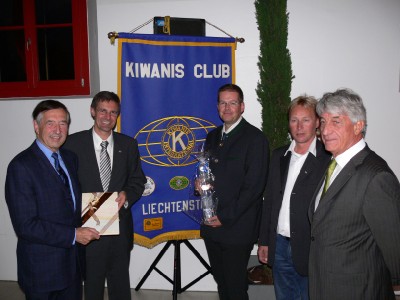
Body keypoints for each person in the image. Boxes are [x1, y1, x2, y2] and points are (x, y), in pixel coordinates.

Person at [308, 88, 400, 299]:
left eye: (336, 122)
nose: (326, 130)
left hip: (358, 290)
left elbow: (395, 254)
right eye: (323, 121)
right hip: (325, 285)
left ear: (359, 126)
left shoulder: (376, 176)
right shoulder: (334, 165)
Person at [5, 100, 100, 300]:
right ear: (36, 126)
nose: (58, 130)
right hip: (42, 270)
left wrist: (105, 210)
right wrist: (74, 235)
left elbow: (71, 203)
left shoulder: (70, 158)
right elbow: (25, 225)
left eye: (63, 123)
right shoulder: (21, 166)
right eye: (51, 123)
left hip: (72, 266)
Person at [63, 91, 146, 300]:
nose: (108, 117)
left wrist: (127, 194)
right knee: (92, 283)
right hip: (87, 227)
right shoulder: (72, 144)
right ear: (93, 111)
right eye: (103, 111)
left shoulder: (128, 145)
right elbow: (65, 185)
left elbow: (138, 180)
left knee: (120, 284)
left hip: (120, 227)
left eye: (113, 112)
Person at [200, 84, 269, 300]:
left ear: (242, 106)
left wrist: (225, 217)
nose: (227, 107)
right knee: (222, 283)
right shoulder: (212, 136)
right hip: (212, 226)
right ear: (217, 106)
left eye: (232, 103)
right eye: (223, 102)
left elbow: (254, 188)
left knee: (236, 287)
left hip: (237, 227)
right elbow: (209, 174)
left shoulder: (255, 139)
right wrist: (200, 184)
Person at [258, 95, 331, 299]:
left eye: (305, 120)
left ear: (317, 122)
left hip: (310, 247)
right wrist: (264, 241)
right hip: (279, 244)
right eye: (294, 120)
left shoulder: (327, 159)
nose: (299, 126)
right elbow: (270, 201)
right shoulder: (279, 156)